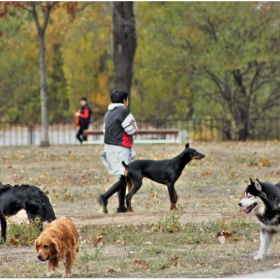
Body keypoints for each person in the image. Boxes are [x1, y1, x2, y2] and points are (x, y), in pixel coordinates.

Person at [97, 89, 138, 213]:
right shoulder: (124, 112)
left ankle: (121, 207)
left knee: (122, 176)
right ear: (125, 100)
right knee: (125, 177)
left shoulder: (108, 114)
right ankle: (104, 197)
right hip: (121, 148)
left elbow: (105, 131)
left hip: (109, 148)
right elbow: (132, 130)